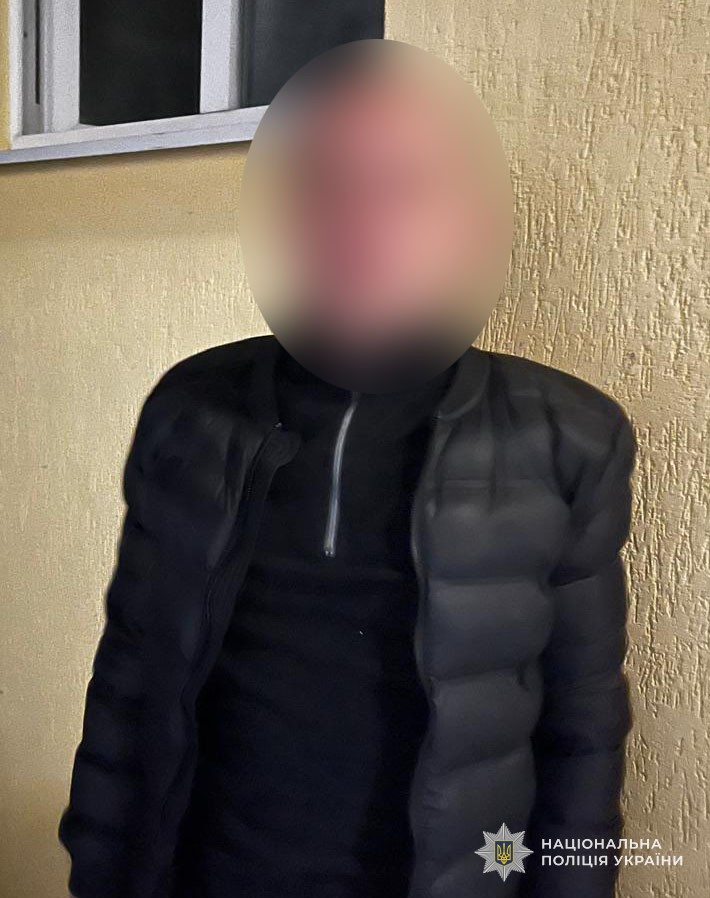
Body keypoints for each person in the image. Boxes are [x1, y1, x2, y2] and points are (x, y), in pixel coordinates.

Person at [58, 39, 637, 898]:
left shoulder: (569, 437)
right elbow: (128, 684)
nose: (358, 224)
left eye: (401, 188)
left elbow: (582, 732)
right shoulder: (192, 408)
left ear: (471, 221)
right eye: (325, 185)